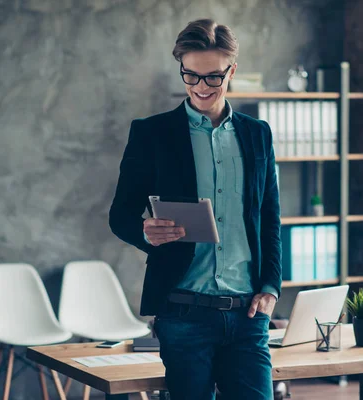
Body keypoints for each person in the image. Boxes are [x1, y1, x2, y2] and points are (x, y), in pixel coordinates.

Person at [109, 18, 282, 400]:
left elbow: (270, 218)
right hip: (183, 314)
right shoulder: (152, 134)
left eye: (214, 77)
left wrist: (270, 287)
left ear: (231, 71)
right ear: (182, 69)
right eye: (191, 76)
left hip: (248, 314)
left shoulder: (258, 135)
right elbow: (120, 215)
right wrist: (144, 232)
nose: (201, 87)